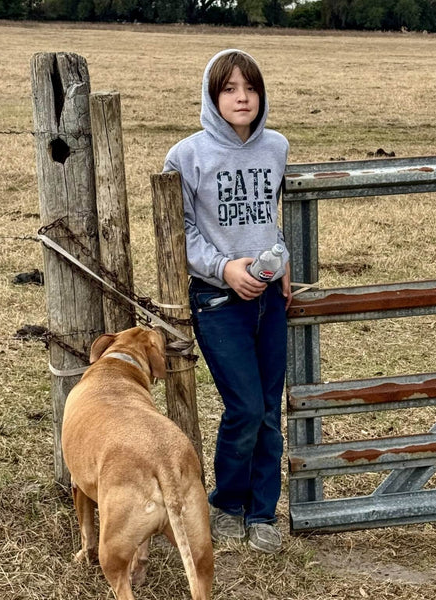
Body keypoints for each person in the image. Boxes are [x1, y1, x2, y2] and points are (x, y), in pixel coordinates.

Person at [164, 48, 291, 554]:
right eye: (230, 89)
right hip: (217, 302)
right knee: (243, 406)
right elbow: (182, 229)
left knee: (268, 411)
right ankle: (226, 503)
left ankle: (262, 513)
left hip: (269, 299)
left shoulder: (277, 147)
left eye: (251, 88)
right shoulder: (186, 156)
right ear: (211, 96)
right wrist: (224, 269)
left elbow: (274, 217)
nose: (242, 98)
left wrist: (281, 262)